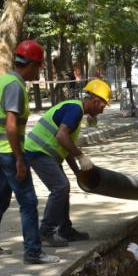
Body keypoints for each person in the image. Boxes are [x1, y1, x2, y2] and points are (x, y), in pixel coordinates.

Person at [0, 39, 59, 265]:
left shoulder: (4, 81)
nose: (39, 72)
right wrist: (19, 159)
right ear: (32, 65)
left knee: (0, 198)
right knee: (28, 201)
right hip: (9, 152)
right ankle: (33, 251)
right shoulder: (15, 86)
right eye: (39, 67)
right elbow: (11, 124)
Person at [24, 79, 110, 247]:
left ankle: (65, 230)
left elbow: (66, 146)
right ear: (95, 101)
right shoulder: (75, 110)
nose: (101, 111)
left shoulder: (76, 112)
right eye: (102, 107)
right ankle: (46, 231)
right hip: (38, 151)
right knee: (61, 187)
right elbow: (61, 137)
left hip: (47, 153)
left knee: (63, 187)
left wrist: (78, 172)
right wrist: (81, 156)